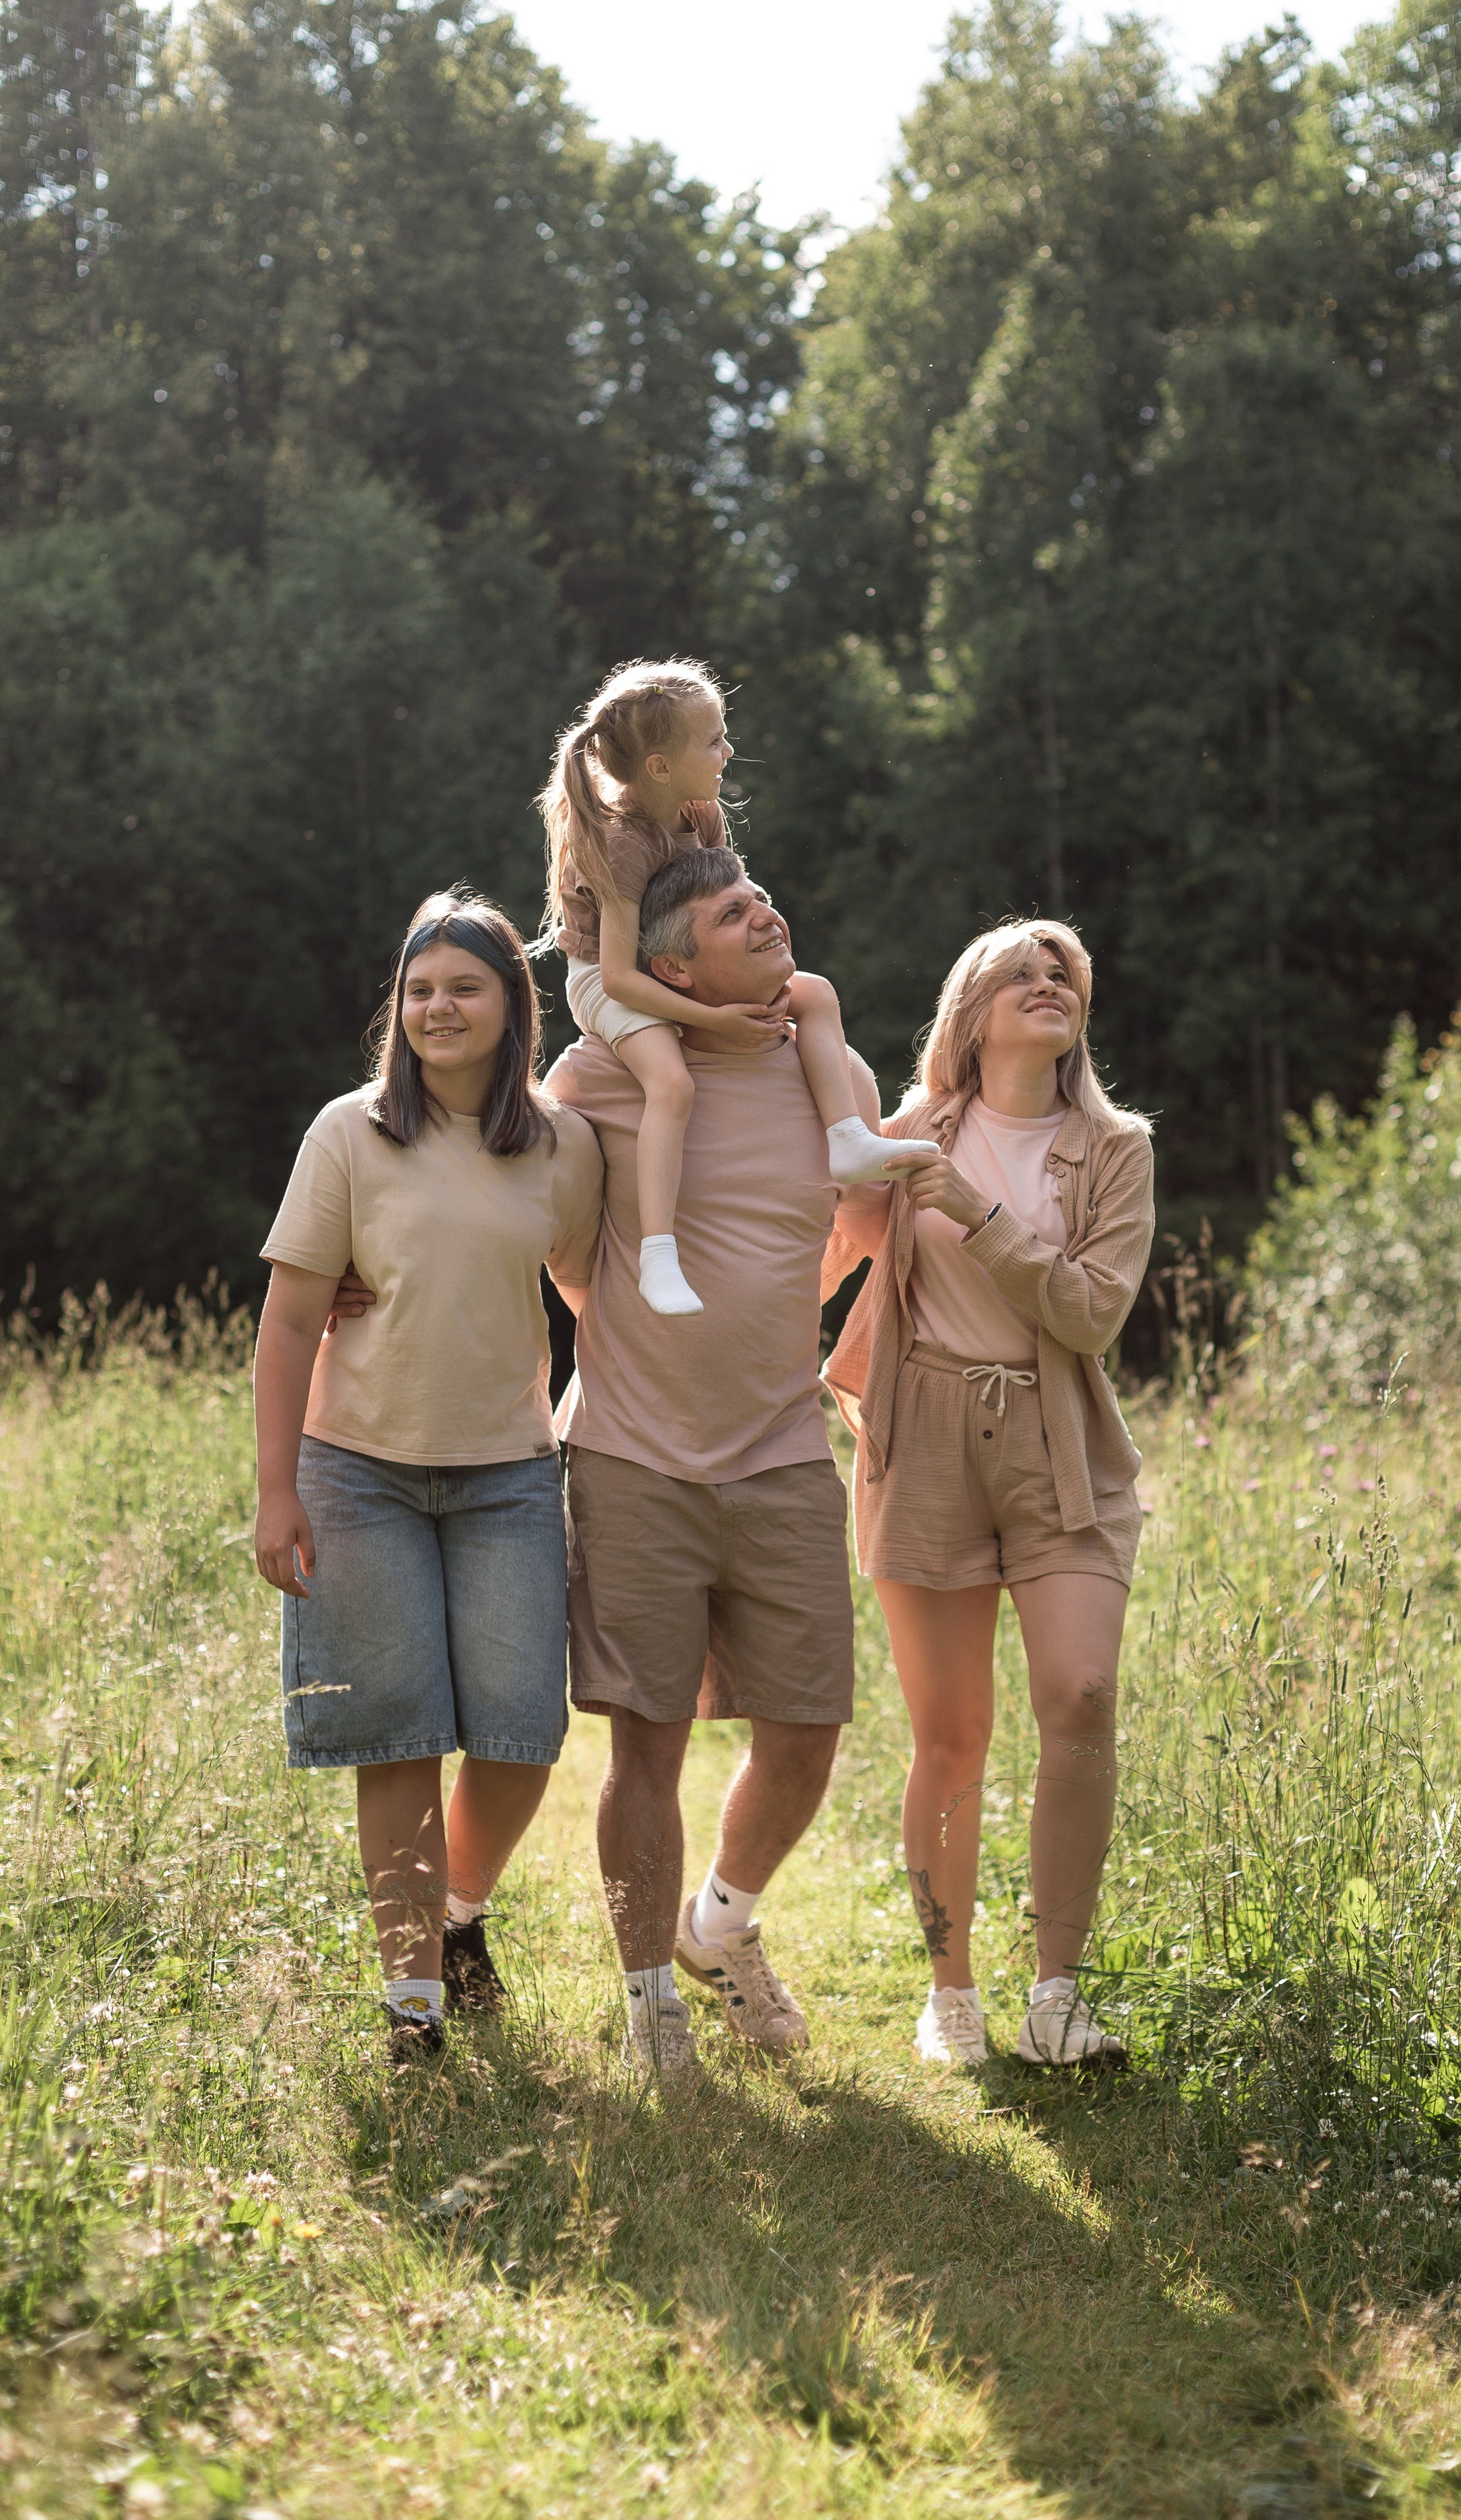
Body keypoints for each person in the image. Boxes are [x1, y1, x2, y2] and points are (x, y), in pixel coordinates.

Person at [544, 845, 893, 2075]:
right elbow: (563, 1249)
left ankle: (720, 1924)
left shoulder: (828, 1065)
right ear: (673, 961)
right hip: (633, 1452)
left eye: (766, 898)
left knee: (809, 1723)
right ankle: (651, 2006)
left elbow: (853, 1224)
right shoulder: (598, 1072)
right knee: (645, 1735)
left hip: (783, 1449)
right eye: (735, 912)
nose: (770, 913)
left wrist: (772, 1308)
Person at [251, 890, 602, 2060]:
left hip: (508, 1476)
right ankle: (414, 2007)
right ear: (397, 1011)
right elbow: (291, 1319)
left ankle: (457, 1916)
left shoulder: (559, 1143)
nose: (439, 1007)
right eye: (420, 990)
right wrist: (275, 1489)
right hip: (359, 1475)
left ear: (513, 1003)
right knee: (396, 1738)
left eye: (464, 986)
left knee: (516, 1735)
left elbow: (595, 1295)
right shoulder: (351, 1133)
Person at [824, 921, 1154, 2070]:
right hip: (923, 1442)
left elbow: (1092, 1315)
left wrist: (974, 1212)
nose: (1048, 983)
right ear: (970, 1011)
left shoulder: (1115, 1149)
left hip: (1060, 1439)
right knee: (951, 1734)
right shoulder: (907, 1136)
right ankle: (949, 1989)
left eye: (1064, 970)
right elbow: (809, 1258)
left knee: (1082, 1694)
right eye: (1021, 972)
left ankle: (1056, 1995)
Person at [536, 658, 934, 1317]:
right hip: (610, 977)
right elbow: (616, 975)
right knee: (672, 1082)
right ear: (661, 766)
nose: (728, 751)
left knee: (818, 995)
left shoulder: (700, 811)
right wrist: (716, 1022)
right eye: (714, 740)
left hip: (672, 962)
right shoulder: (622, 844)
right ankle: (659, 1252)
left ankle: (847, 1137)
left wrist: (750, 977)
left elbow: (729, 902)